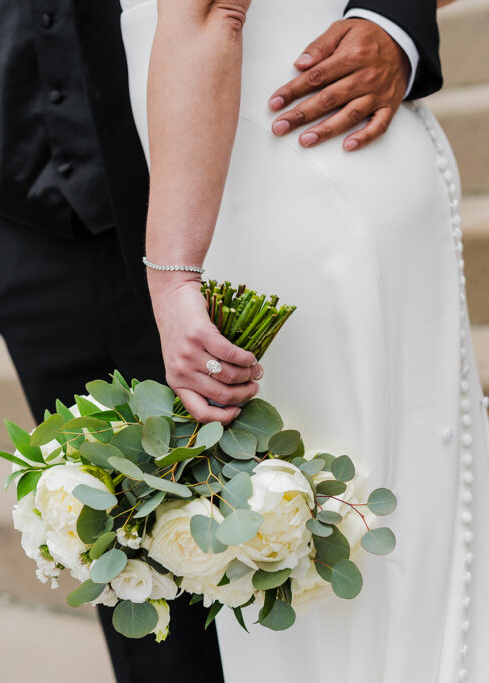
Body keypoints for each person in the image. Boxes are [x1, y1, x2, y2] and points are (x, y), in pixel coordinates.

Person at [0, 1, 444, 680]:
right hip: (30, 229)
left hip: (202, 214)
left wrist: (398, 17)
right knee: (125, 560)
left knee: (270, 536)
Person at [120, 0, 485, 680]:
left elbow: (206, 12)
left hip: (292, 167)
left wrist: (172, 278)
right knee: (354, 550)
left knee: (334, 555)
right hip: (294, 157)